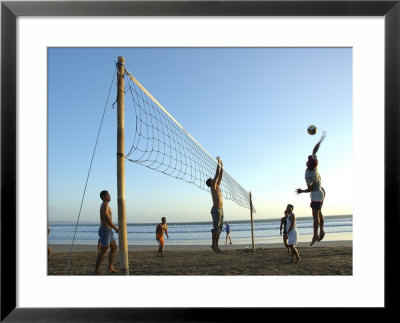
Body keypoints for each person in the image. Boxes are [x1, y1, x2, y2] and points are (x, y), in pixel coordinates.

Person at [296, 131, 326, 246]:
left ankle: (315, 235)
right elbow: (314, 150)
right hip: (321, 190)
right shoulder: (315, 163)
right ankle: (322, 231)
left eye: (309, 161)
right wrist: (320, 141)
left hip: (316, 194)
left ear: (310, 165)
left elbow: (310, 189)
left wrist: (301, 191)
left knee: (315, 216)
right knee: (319, 213)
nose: (307, 160)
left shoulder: (309, 175)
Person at [94, 190, 119, 274]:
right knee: (103, 251)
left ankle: (110, 267)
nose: (109, 196)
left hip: (109, 230)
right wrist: (115, 228)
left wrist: (113, 228)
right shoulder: (104, 206)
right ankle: (96, 270)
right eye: (108, 195)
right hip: (105, 230)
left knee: (114, 247)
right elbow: (107, 219)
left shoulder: (107, 206)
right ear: (103, 197)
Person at [206, 156, 224, 253]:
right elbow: (217, 174)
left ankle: (216, 245)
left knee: (219, 229)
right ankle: (214, 245)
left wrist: (222, 166)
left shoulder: (217, 186)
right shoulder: (213, 186)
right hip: (216, 209)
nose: (214, 180)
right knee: (216, 228)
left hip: (221, 209)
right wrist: (218, 163)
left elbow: (220, 176)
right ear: (210, 182)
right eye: (212, 179)